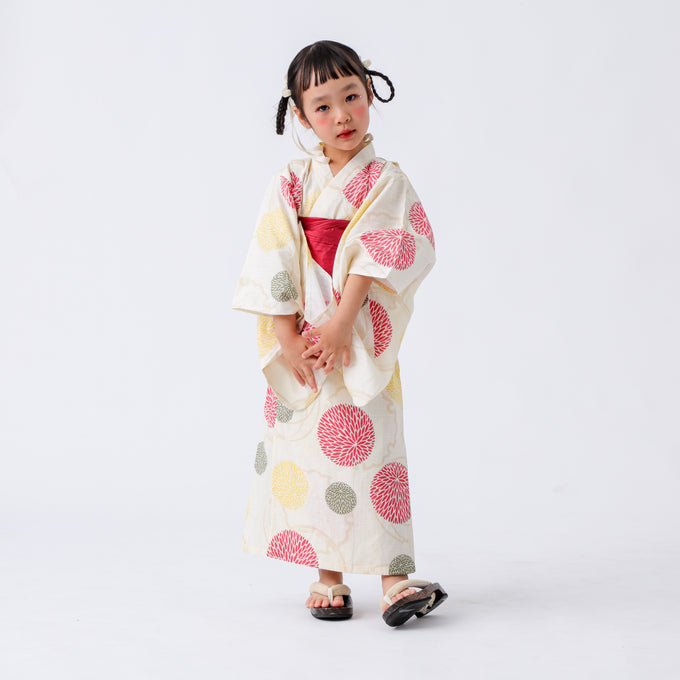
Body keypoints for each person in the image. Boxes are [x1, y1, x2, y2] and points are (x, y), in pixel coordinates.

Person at [232, 40, 447, 627]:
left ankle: (395, 581)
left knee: (375, 454)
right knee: (310, 457)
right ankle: (327, 577)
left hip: (355, 337)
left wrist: (342, 323)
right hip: (303, 339)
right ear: (301, 117)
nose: (342, 115)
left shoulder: (386, 181)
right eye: (322, 106)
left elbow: (382, 253)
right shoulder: (290, 180)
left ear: (370, 92)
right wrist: (287, 337)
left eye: (351, 97)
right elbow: (273, 255)